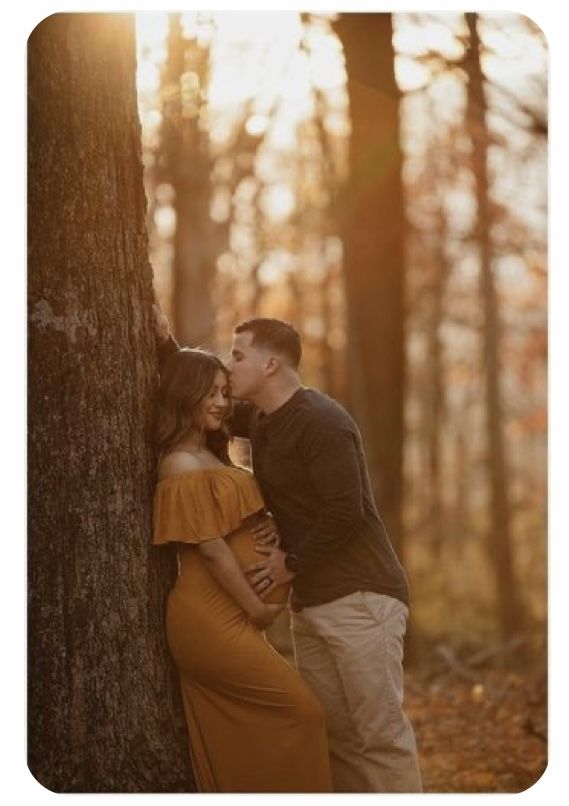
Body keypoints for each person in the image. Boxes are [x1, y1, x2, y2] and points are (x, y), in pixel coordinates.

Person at [154, 308, 422, 793]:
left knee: (377, 738)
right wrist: (164, 342)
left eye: (238, 357)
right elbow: (197, 398)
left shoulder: (322, 421)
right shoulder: (262, 419)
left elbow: (347, 510)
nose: (229, 367)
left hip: (360, 598)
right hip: (313, 603)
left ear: (270, 365)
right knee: (336, 735)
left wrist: (289, 560)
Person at [153, 346, 332, 793]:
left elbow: (235, 519)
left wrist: (265, 525)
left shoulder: (213, 453)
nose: (220, 402)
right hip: (209, 618)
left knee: (257, 728)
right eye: (208, 393)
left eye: (223, 392)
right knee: (302, 712)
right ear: (184, 394)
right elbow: (211, 549)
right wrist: (256, 607)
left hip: (231, 616)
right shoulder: (179, 461)